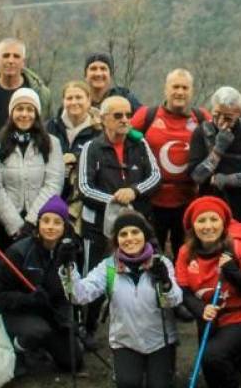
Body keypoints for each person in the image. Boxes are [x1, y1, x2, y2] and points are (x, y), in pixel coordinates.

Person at [76, 94, 161, 345]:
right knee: (94, 275)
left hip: (136, 227)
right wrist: (115, 200)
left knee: (142, 273)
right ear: (103, 120)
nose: (125, 120)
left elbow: (156, 177)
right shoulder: (91, 148)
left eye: (127, 115)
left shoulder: (140, 145)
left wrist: (134, 192)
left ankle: (145, 324)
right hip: (98, 228)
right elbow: (84, 187)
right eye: (118, 116)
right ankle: (88, 327)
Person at [65, 212, 180, 388]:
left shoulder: (161, 263)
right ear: (116, 239)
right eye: (123, 234)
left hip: (160, 341)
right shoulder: (109, 267)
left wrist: (165, 283)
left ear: (145, 235)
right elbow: (78, 295)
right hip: (125, 341)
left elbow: (174, 301)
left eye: (135, 232)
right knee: (128, 383)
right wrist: (68, 268)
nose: (129, 238)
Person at [175, 196, 241, 388]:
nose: (208, 226)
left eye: (213, 219)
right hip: (209, 318)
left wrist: (233, 271)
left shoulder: (237, 248)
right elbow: (183, 290)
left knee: (213, 358)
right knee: (213, 373)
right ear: (193, 226)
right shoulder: (185, 252)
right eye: (201, 220)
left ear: (223, 223)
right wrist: (200, 309)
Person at [0, 195, 83, 375]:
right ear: (38, 224)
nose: (50, 227)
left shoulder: (68, 252)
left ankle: (44, 347)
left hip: (50, 313)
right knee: (37, 331)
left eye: (57, 222)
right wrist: (27, 299)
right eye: (46, 221)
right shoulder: (19, 252)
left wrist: (68, 320)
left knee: (73, 360)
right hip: (19, 312)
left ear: (64, 227)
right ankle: (16, 349)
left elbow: (70, 291)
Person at [130, 68, 209, 251]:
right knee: (150, 253)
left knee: (186, 254)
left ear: (191, 91)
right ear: (166, 89)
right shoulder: (147, 115)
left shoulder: (202, 117)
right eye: (175, 87)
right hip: (152, 201)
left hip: (189, 200)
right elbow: (123, 137)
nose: (180, 92)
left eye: (185, 88)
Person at [0, 88, 66, 244]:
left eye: (30, 109)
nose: (24, 114)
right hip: (5, 227)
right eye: (19, 109)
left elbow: (53, 184)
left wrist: (32, 221)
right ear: (11, 113)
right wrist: (15, 225)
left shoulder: (51, 144)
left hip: (41, 224)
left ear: (36, 114)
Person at [189, 86, 241, 225]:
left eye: (228, 117)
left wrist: (229, 180)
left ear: (238, 113)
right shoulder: (202, 132)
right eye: (216, 114)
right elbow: (196, 176)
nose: (221, 121)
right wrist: (219, 148)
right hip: (212, 207)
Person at [0, 37, 52, 147]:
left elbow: (48, 132)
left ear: (23, 62)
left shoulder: (41, 94)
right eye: (6, 56)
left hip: (31, 160)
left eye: (16, 56)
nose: (11, 61)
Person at [44, 80, 103, 233]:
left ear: (89, 100)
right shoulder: (50, 127)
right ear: (63, 101)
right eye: (69, 98)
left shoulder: (99, 131)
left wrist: (77, 157)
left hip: (84, 202)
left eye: (79, 97)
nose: (74, 102)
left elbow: (102, 159)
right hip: (52, 196)